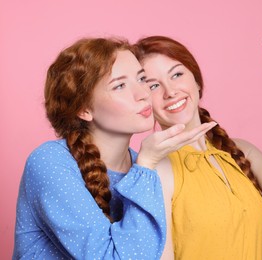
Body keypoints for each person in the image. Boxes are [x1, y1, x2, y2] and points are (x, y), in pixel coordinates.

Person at [134, 35, 262, 260]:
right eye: (153, 85)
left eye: (177, 74)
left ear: (197, 81)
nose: (170, 91)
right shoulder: (156, 170)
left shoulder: (238, 151)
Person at [13, 37, 216, 259]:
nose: (143, 94)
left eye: (142, 79)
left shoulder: (144, 170)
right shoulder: (51, 163)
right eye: (120, 86)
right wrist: (147, 165)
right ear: (84, 109)